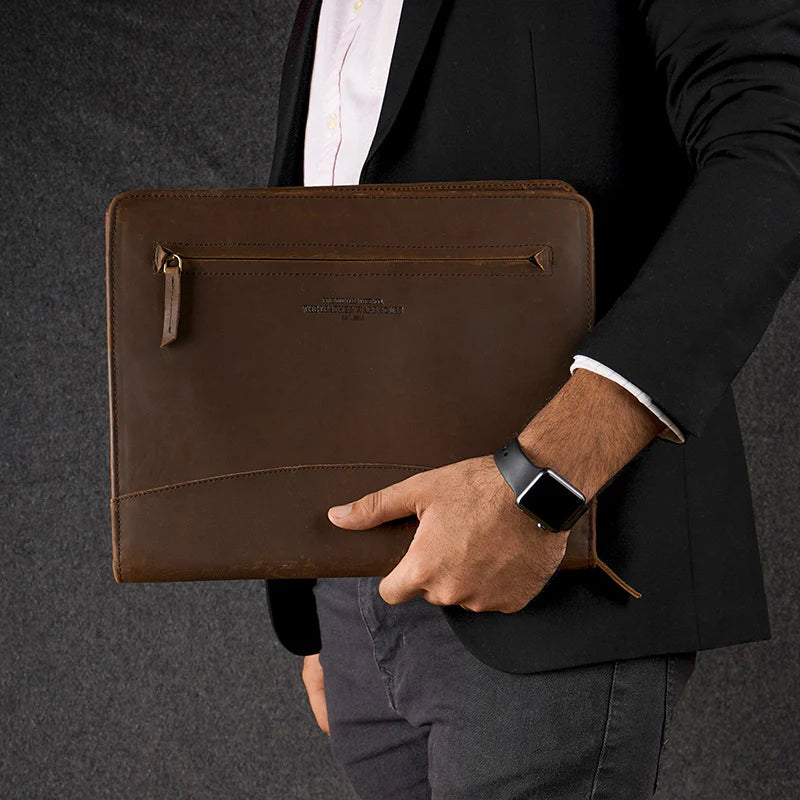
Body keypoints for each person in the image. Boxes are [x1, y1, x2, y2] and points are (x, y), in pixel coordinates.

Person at [264, 1, 800, 797]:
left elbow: (774, 143)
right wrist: (305, 583)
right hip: (353, 594)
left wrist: (540, 483)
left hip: (551, 564)